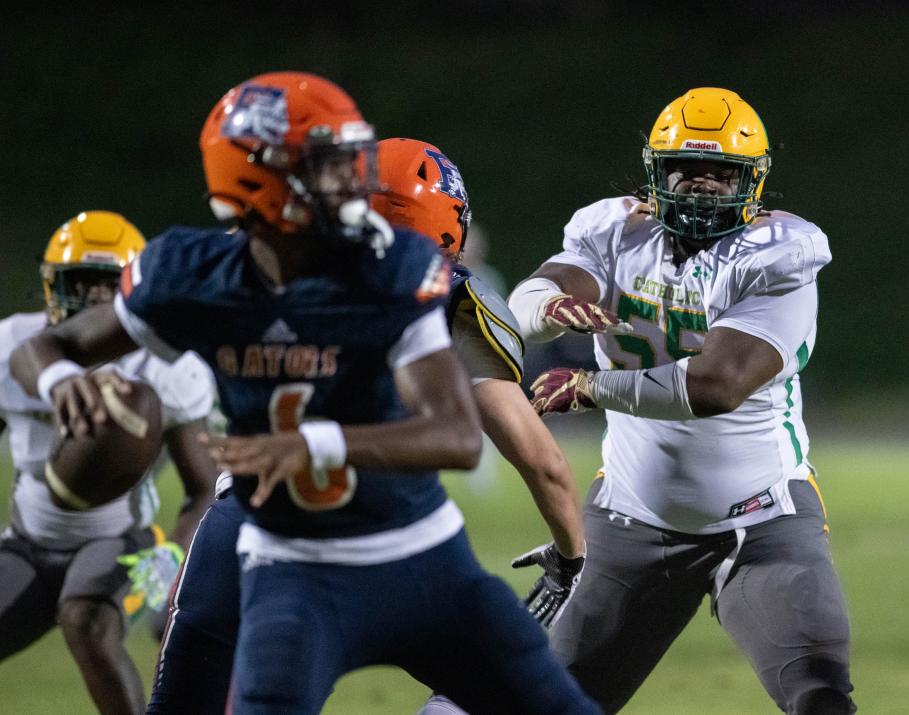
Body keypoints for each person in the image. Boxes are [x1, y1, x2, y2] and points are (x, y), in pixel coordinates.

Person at [11, 72, 600, 715]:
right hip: (287, 559)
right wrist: (64, 382)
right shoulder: (196, 275)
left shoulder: (396, 272)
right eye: (328, 164)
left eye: (354, 160)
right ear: (258, 179)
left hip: (410, 551)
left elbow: (458, 437)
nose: (353, 180)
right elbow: (48, 347)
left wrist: (313, 443)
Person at [508, 87, 856, 714]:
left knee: (820, 697)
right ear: (654, 173)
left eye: (720, 174)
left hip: (762, 524)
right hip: (630, 521)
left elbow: (714, 386)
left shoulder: (780, 253)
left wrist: (591, 386)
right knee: (554, 704)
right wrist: (548, 307)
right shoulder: (614, 229)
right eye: (684, 171)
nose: (701, 187)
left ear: (752, 179)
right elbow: (539, 294)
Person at [370, 138, 588, 715]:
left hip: (254, 531)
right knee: (507, 680)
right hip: (385, 538)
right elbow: (545, 464)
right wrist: (571, 559)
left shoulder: (277, 277)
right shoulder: (449, 304)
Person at [0, 210, 218, 715]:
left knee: (86, 620)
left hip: (119, 540)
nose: (95, 300)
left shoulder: (164, 364)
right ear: (52, 286)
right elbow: (30, 359)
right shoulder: (17, 344)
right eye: (81, 283)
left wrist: (174, 565)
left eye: (108, 285)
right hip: (30, 542)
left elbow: (202, 487)